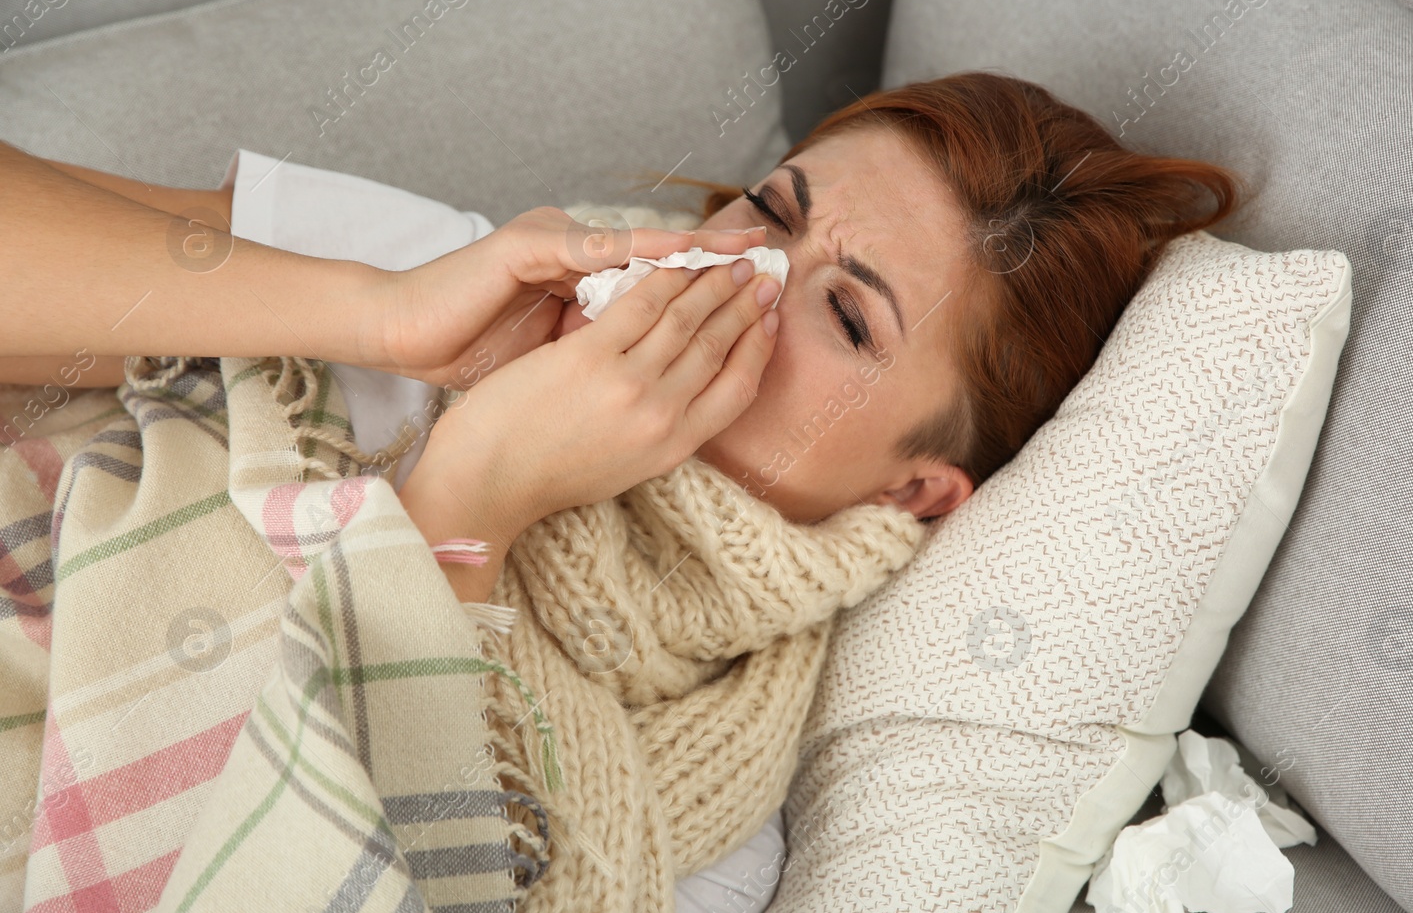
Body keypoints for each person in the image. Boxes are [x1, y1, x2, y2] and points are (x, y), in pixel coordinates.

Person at [0, 70, 1239, 610]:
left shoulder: (716, 789)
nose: (742, 274)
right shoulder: (450, 273)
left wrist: (475, 495)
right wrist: (377, 318)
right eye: (767, 211)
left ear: (916, 490)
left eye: (847, 313)